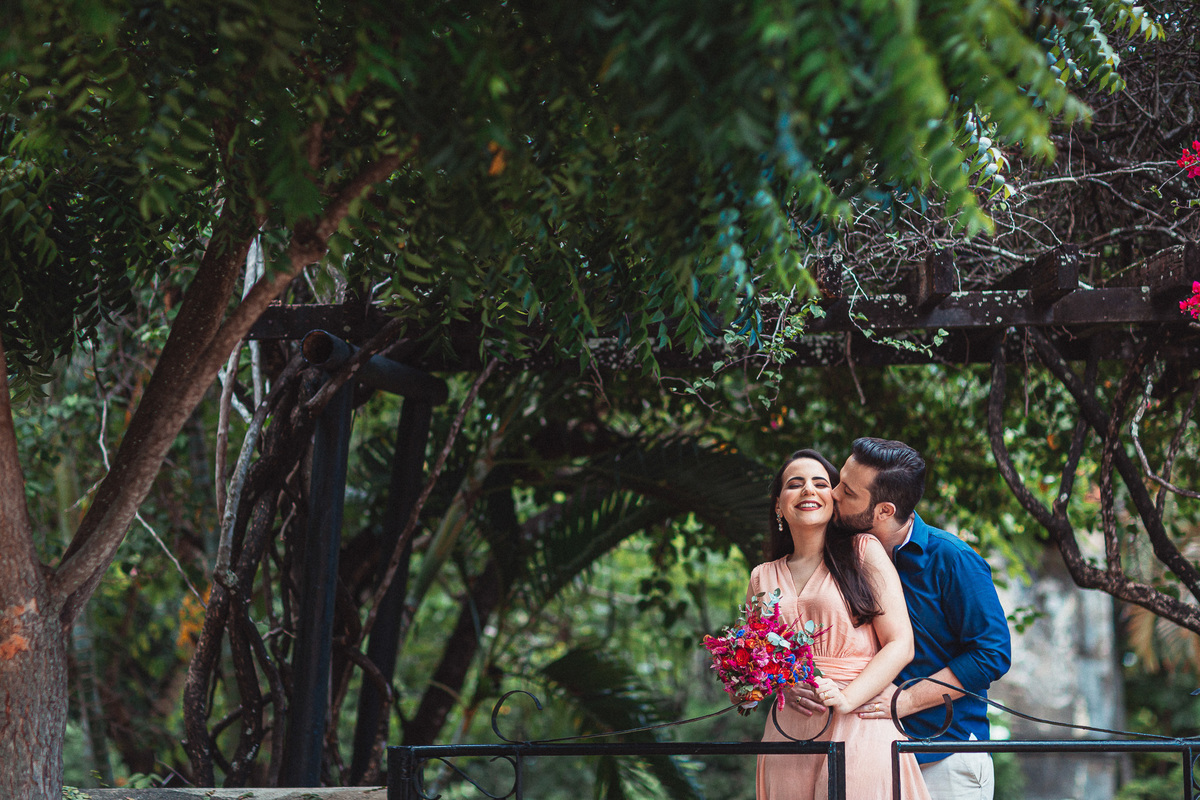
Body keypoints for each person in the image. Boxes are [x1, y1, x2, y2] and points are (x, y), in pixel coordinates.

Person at [824, 437, 1012, 800]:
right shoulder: (843, 557)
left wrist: (907, 701)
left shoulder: (952, 558)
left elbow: (992, 653)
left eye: (847, 491)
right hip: (869, 756)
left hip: (944, 756)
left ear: (883, 510)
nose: (833, 494)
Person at [749, 448, 931, 800]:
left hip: (860, 714)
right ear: (777, 504)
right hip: (791, 725)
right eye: (794, 484)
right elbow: (760, 660)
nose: (808, 490)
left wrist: (847, 698)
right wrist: (782, 686)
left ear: (832, 499)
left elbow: (900, 644)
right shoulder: (762, 576)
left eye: (820, 483)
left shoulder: (863, 551)